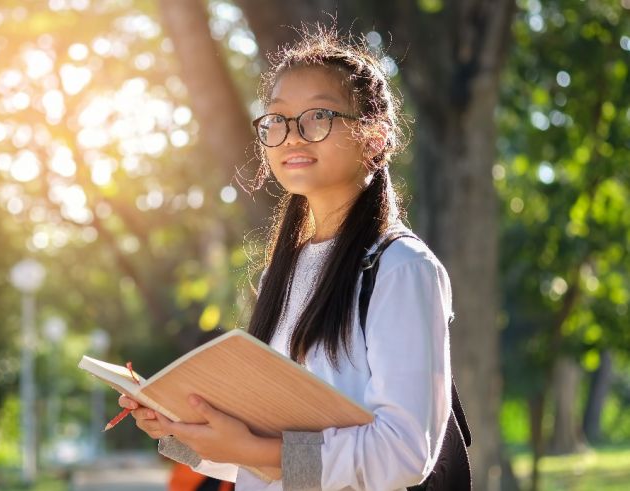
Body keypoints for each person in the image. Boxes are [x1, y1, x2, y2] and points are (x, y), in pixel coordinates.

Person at [118, 26, 454, 490]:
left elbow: (403, 453)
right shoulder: (288, 270)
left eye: (317, 116)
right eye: (277, 119)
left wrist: (253, 450)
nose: (292, 136)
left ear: (374, 138)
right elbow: (260, 453)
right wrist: (177, 423)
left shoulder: (401, 268)